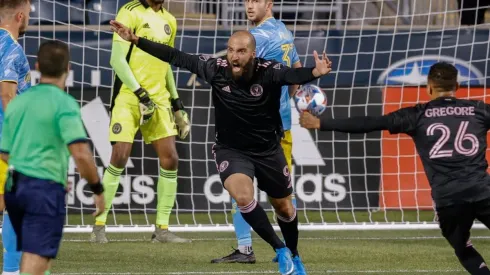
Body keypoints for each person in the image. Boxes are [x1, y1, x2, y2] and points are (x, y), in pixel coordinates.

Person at [110, 19, 332, 275]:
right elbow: (175, 56)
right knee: (243, 197)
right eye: (230, 50)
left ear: (252, 53)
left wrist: (315, 73)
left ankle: (294, 254)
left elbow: (293, 75)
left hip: (268, 150)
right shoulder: (216, 68)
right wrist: (137, 40)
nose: (234, 56)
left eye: (241, 51)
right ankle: (280, 249)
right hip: (232, 150)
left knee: (284, 207)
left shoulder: (269, 70)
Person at [300, 62, 490, 275]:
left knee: (463, 249)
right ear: (458, 85)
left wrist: (321, 124)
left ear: (428, 87)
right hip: (484, 192)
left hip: (449, 198)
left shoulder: (417, 115)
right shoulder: (479, 110)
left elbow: (370, 123)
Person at [0, 40, 106, 275]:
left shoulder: (18, 103)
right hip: (42, 189)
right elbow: (80, 153)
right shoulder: (64, 103)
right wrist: (97, 190)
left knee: (33, 253)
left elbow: (5, 152)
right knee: (37, 259)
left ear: (37, 66)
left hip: (14, 188)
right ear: (68, 69)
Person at [210, 0, 303, 267]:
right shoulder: (283, 30)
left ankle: (246, 247)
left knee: (245, 190)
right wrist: (284, 101)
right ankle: (287, 247)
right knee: (281, 194)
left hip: (259, 128)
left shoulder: (256, 37)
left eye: (256, 0)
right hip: (280, 123)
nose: (250, 6)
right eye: (247, 0)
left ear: (269, 3)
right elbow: (295, 71)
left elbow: (231, 71)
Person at [91, 0, 191, 244]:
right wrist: (139, 93)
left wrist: (177, 104)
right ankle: (98, 227)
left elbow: (165, 62)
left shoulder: (170, 20)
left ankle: (162, 230)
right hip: (129, 95)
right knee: (119, 156)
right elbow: (117, 60)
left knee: (171, 159)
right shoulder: (129, 11)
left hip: (159, 98)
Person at [0, 1, 32, 274]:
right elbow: (8, 95)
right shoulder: (12, 49)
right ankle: (11, 270)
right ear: (20, 16)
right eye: (30, 13)